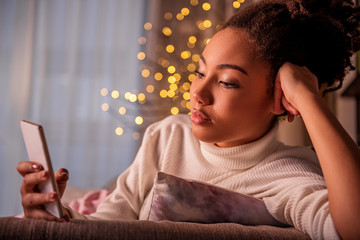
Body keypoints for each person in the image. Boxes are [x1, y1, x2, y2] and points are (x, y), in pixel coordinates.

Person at [17, 0, 360, 239]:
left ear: (279, 99)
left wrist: (309, 99)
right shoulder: (167, 136)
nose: (198, 92)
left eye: (227, 82)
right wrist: (59, 218)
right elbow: (112, 221)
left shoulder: (289, 175)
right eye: (200, 72)